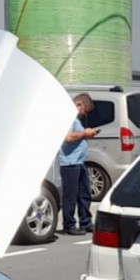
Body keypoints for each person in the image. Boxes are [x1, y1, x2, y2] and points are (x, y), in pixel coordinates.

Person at [60, 93, 98, 235]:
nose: (84, 114)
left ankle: (85, 222)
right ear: (79, 104)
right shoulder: (68, 117)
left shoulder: (76, 120)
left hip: (79, 161)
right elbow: (68, 137)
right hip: (70, 162)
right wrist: (85, 134)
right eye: (85, 110)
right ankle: (69, 224)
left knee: (84, 193)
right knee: (70, 195)